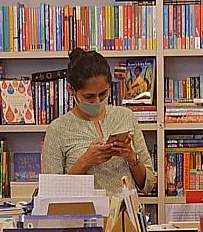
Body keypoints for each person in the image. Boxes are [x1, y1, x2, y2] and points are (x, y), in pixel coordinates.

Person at [40, 48, 156, 196]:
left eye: (103, 94)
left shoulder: (125, 116)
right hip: (83, 217)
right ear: (71, 90)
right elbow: (50, 194)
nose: (97, 101)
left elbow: (148, 185)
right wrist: (85, 161)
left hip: (125, 216)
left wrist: (132, 157)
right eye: (89, 97)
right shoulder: (57, 129)